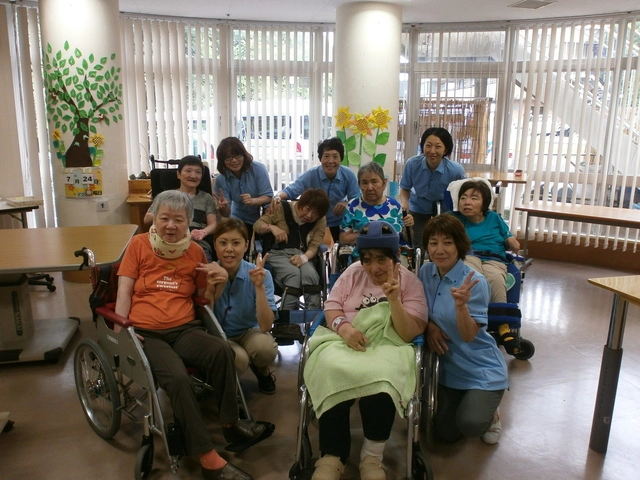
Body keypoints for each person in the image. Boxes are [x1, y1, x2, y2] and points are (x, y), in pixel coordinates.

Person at [116, 190, 265, 480]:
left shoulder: (195, 252)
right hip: (148, 332)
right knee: (178, 379)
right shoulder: (138, 245)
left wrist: (218, 282)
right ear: (154, 219)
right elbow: (124, 291)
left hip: (185, 328)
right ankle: (207, 457)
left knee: (222, 350)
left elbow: (202, 299)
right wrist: (123, 332)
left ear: (188, 223)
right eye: (164, 218)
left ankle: (230, 423)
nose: (171, 225)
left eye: (178, 220)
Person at [303, 221, 427, 480]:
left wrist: (394, 300)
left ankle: (372, 456)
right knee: (329, 367)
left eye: (381, 259)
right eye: (367, 260)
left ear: (396, 257)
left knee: (383, 376)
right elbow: (332, 307)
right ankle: (332, 456)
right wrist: (345, 328)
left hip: (389, 343)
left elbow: (408, 334)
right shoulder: (352, 273)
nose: (373, 268)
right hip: (346, 339)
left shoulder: (410, 282)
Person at [418, 214, 508, 446]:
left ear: (459, 245)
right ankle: (468, 402)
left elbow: (469, 336)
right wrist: (429, 326)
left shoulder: (474, 282)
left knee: (471, 424)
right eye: (433, 243)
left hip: (480, 367)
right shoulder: (425, 273)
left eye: (447, 243)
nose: (439, 250)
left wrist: (460, 307)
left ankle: (493, 414)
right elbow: (418, 309)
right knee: (444, 434)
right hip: (448, 370)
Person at [451, 178, 522, 354]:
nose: (467, 202)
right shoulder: (454, 219)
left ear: (484, 203)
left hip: (494, 258)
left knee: (496, 279)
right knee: (475, 278)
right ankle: (473, 323)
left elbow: (509, 238)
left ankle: (503, 327)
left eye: (474, 198)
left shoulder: (494, 218)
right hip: (468, 254)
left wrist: (512, 241)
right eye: (463, 198)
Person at [211, 218, 279, 394]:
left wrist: (259, 287)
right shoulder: (209, 273)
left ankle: (261, 370)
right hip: (219, 336)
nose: (229, 249)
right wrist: (211, 287)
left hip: (249, 331)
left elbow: (266, 326)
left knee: (265, 349)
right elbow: (204, 318)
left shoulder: (262, 274)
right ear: (215, 245)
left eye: (236, 243)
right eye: (223, 243)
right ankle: (229, 388)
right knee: (238, 359)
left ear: (246, 245)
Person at [269, 137, 360, 242]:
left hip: (339, 223)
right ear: (320, 158)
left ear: (341, 159)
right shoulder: (311, 174)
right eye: (326, 156)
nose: (331, 161)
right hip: (314, 223)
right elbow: (291, 191)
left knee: (341, 250)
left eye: (335, 156)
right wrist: (278, 197)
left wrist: (346, 204)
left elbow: (357, 200)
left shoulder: (348, 175)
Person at [254, 188, 329, 310]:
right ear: (300, 203)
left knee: (311, 275)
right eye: (307, 209)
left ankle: (314, 317)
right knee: (293, 275)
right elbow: (257, 225)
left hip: (303, 255)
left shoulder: (320, 220)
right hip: (278, 253)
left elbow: (315, 245)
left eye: (315, 213)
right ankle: (286, 318)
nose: (309, 216)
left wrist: (303, 258)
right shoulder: (281, 208)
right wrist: (271, 227)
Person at [399, 127, 466, 247]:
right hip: (418, 208)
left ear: (445, 150)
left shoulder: (456, 170)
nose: (432, 151)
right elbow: (405, 187)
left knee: (444, 243)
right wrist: (405, 202)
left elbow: (464, 192)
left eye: (438, 146)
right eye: (428, 145)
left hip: (445, 211)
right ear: (423, 146)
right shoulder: (412, 164)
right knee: (419, 245)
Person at [144, 155, 217, 261]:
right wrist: (167, 214)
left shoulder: (206, 198)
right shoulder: (166, 196)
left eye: (198, 172)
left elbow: (213, 224)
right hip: (166, 242)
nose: (193, 175)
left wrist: (203, 232)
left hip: (197, 243)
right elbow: (147, 219)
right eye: (188, 171)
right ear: (178, 174)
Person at [213, 137, 274, 241]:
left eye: (237, 155)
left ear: (244, 155)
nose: (234, 160)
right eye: (228, 157)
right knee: (237, 240)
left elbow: (268, 197)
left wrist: (253, 201)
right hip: (239, 217)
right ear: (222, 161)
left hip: (264, 214)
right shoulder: (221, 179)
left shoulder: (258, 169)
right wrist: (223, 208)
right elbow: (226, 213)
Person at [339, 161, 414, 244]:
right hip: (363, 251)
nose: (369, 188)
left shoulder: (394, 205)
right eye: (364, 183)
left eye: (374, 182)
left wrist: (408, 227)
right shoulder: (353, 206)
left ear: (384, 183)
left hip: (393, 251)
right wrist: (371, 234)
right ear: (359, 185)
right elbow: (343, 238)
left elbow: (407, 239)